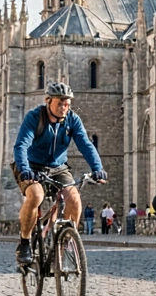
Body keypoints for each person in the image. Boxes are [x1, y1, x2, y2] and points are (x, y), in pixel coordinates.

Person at [13, 81, 107, 265]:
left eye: (67, 104)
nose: (64, 108)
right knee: (35, 195)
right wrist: (25, 169)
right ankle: (24, 242)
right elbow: (21, 145)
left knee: (74, 200)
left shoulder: (72, 120)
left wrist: (97, 168)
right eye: (60, 103)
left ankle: (65, 242)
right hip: (32, 166)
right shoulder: (35, 117)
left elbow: (86, 145)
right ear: (48, 101)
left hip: (58, 167)